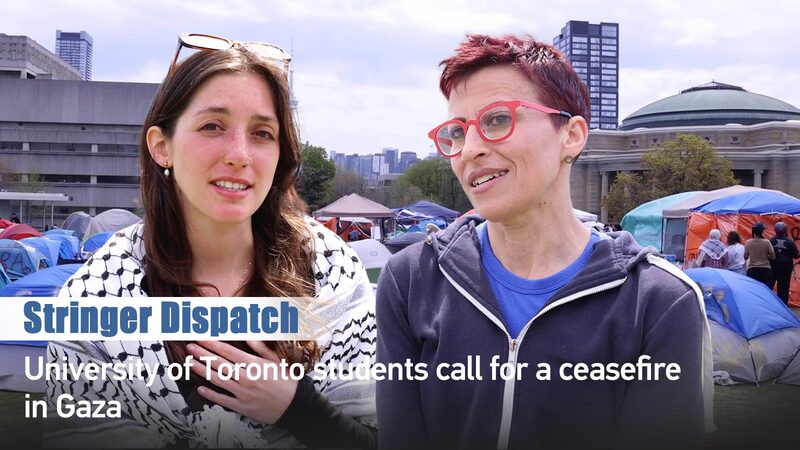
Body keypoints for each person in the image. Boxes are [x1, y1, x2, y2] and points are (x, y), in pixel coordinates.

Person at [376, 34, 712, 450]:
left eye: (498, 120)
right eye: (456, 132)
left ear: (571, 136)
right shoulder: (412, 280)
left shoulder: (658, 301)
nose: (470, 150)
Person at [46, 33, 376, 448]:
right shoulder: (97, 294)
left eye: (262, 133)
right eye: (212, 126)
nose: (239, 153)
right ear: (162, 147)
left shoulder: (330, 272)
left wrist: (299, 407)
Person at [770, 222, 799, 304]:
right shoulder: (790, 242)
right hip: (786, 268)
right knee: (783, 288)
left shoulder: (771, 240)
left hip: (773, 266)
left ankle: (768, 304)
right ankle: (782, 307)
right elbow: (796, 256)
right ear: (785, 230)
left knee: (769, 286)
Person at [744, 222, 775, 288]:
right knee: (766, 291)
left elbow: (745, 257)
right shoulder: (767, 242)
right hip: (766, 270)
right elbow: (773, 257)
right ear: (762, 231)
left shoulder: (748, 242)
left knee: (754, 291)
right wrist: (765, 257)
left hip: (752, 270)